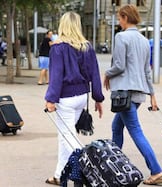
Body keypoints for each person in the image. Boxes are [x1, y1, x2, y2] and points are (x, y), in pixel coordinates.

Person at [103, 4, 162, 185]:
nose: (118, 21)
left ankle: (156, 171)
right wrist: (152, 94)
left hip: (124, 93)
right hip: (138, 94)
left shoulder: (121, 37)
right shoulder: (144, 40)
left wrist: (107, 73)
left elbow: (119, 65)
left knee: (136, 131)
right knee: (117, 127)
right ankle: (115, 164)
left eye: (119, 17)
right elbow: (147, 71)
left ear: (124, 17)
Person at [44, 11, 104, 186]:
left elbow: (56, 76)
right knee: (64, 136)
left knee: (68, 138)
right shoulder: (87, 47)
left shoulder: (58, 48)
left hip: (65, 98)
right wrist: (98, 98)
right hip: (82, 96)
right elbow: (95, 74)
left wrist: (50, 99)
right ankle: (58, 174)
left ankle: (88, 170)